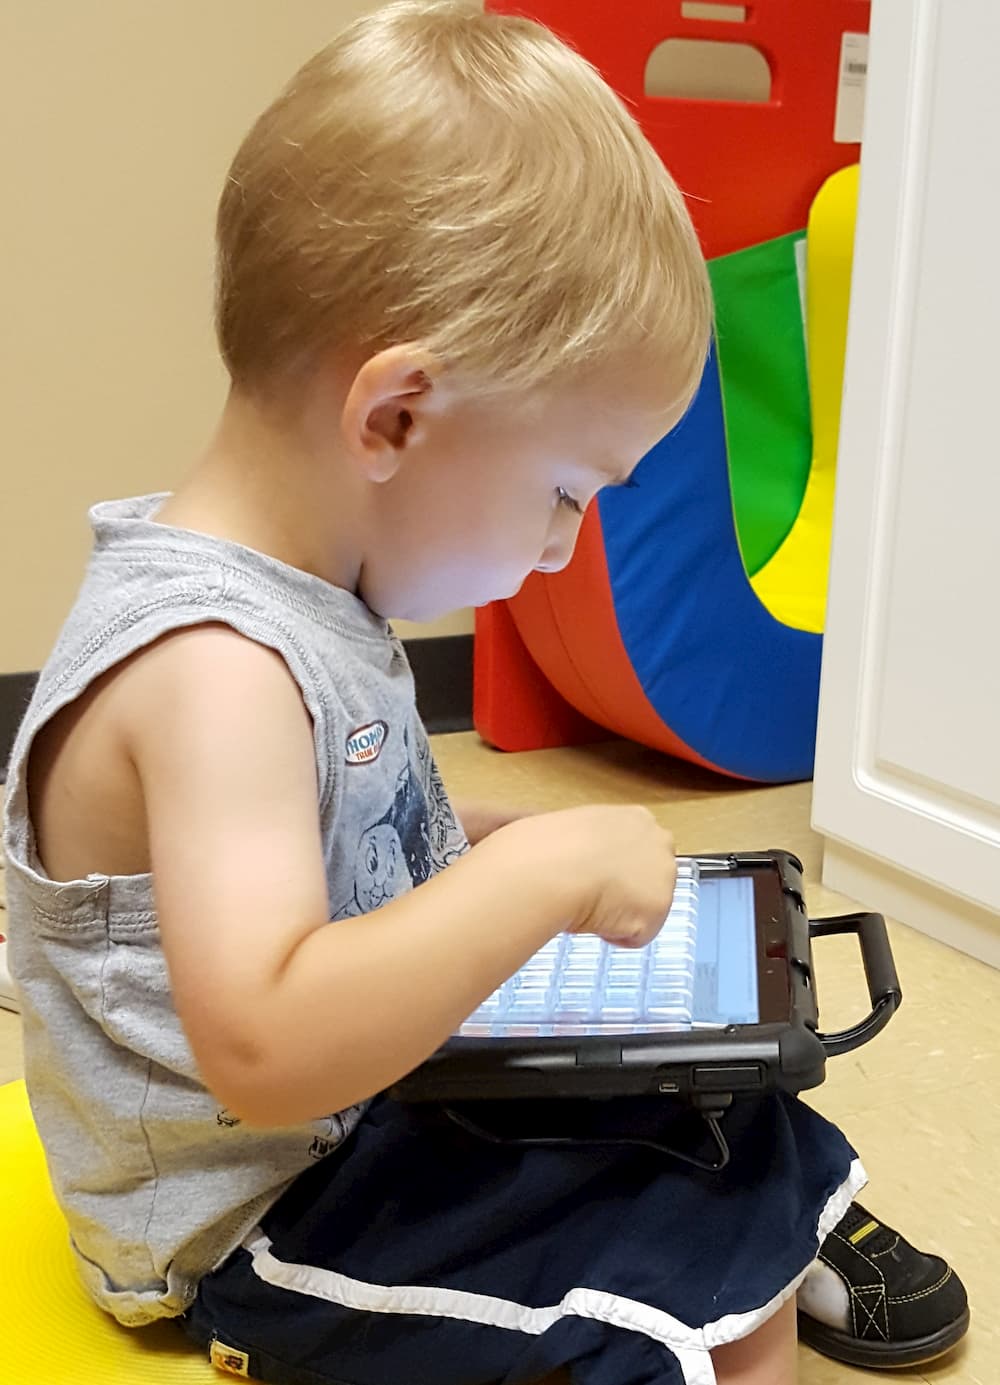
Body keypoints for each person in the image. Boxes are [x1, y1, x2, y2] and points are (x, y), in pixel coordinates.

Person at [2, 4, 966, 1383]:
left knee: (713, 1087)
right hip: (257, 1212)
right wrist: (545, 885)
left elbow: (313, 830)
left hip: (367, 1110)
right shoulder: (211, 668)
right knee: (672, 1319)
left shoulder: (309, 584)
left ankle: (757, 1225)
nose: (566, 545)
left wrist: (475, 837)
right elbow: (268, 1045)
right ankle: (740, 1276)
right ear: (396, 413)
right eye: (568, 490)